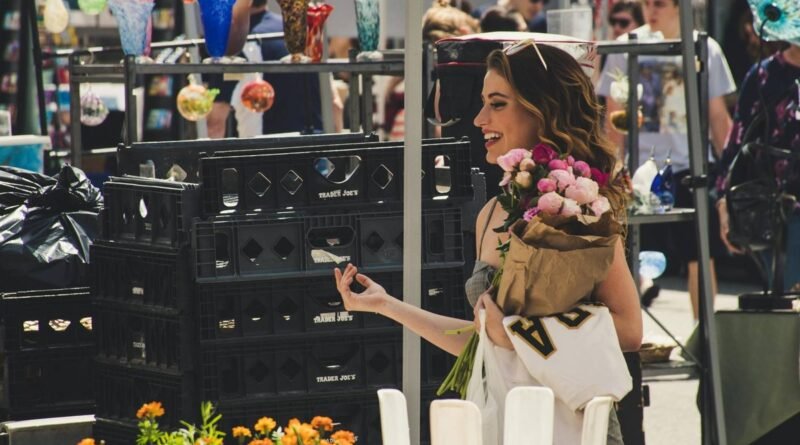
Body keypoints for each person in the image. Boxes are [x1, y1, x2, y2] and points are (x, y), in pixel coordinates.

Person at [335, 43, 642, 444]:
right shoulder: (490, 214)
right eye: (482, 104)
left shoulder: (583, 210)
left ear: (541, 108)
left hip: (572, 426)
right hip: (497, 420)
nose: (479, 119)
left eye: (496, 104)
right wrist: (385, 305)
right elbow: (484, 342)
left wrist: (514, 331)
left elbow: (629, 330)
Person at [597, 0, 737, 321]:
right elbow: (613, 118)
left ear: (679, 7)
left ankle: (703, 332)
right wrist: (611, 172)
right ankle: (631, 337)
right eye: (646, 3)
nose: (651, 10)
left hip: (690, 167)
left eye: (659, 3)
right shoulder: (626, 47)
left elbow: (718, 118)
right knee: (627, 255)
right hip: (638, 171)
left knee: (700, 254)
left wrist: (728, 177)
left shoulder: (706, 47)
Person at [716, 41, 800, 292]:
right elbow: (738, 142)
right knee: (789, 298)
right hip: (774, 209)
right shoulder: (764, 75)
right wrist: (724, 202)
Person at [207, 0, 331, 138]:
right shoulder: (305, 33)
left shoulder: (235, 47)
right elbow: (335, 103)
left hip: (264, 152)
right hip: (315, 147)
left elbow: (215, 123)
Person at [472, 0, 548, 33]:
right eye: (534, 0)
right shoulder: (481, 14)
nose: (539, 6)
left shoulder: (540, 22)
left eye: (545, 1)